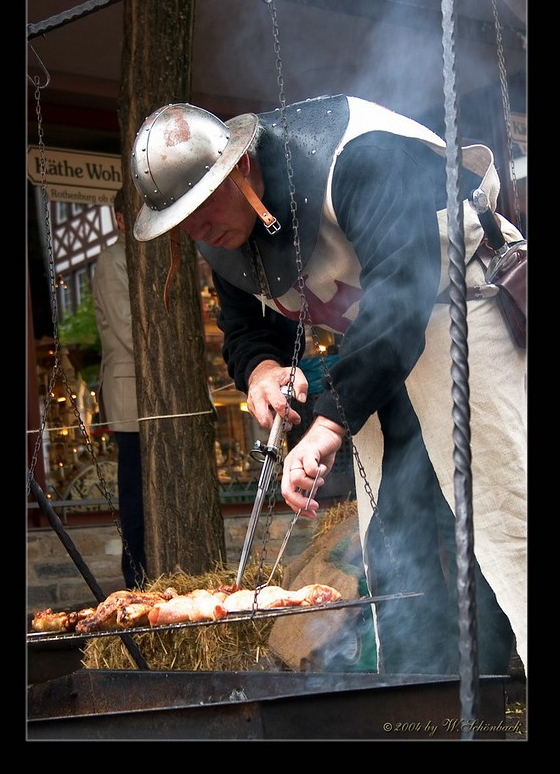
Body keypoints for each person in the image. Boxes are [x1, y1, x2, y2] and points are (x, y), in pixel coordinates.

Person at [130, 96, 526, 675]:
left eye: (200, 201)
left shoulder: (359, 158)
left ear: (239, 167)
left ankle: (508, 701)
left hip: (460, 317)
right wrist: (262, 372)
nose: (196, 226)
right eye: (181, 216)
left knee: (493, 524)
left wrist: (328, 424)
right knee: (396, 534)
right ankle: (420, 701)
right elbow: (244, 330)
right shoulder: (222, 232)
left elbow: (403, 293)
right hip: (373, 354)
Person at [92, 187, 147, 589]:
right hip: (131, 394)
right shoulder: (111, 260)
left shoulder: (149, 256)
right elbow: (130, 330)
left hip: (153, 401)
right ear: (119, 219)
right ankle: (136, 581)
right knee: (134, 496)